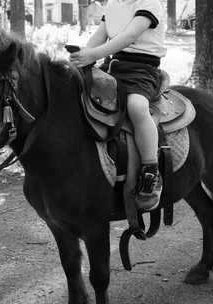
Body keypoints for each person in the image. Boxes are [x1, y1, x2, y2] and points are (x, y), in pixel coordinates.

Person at [68, 0, 167, 211]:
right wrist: (80, 57)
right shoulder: (113, 4)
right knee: (76, 96)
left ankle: (151, 169)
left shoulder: (150, 3)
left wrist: (93, 55)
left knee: (137, 107)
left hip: (141, 70)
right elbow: (99, 36)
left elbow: (130, 35)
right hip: (112, 67)